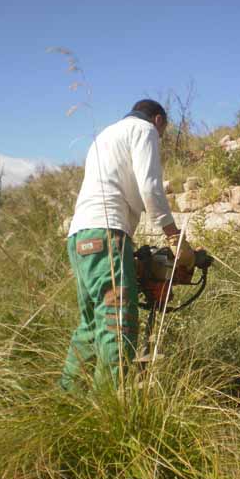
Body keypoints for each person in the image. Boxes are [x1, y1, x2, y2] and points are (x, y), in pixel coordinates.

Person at [60, 99, 194, 391]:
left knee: (91, 326)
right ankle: (105, 412)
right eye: (163, 131)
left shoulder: (105, 136)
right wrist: (175, 237)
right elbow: (150, 188)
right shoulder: (144, 130)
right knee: (118, 327)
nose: (160, 137)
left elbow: (128, 192)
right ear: (158, 120)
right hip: (107, 234)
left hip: (79, 236)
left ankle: (68, 401)